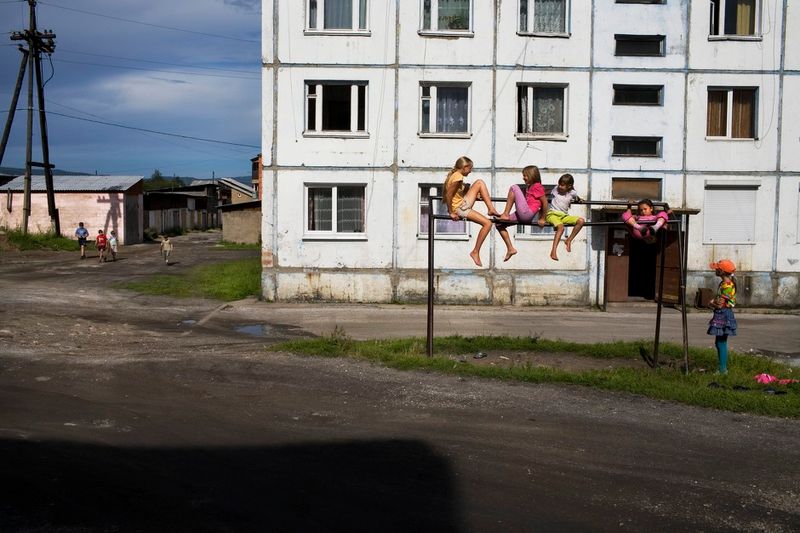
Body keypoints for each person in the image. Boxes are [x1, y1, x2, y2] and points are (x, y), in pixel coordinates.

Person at [443, 156, 513, 267]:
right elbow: (449, 195)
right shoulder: (458, 177)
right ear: (465, 167)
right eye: (470, 168)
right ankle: (475, 251)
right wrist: (451, 212)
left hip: (461, 204)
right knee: (487, 223)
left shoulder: (456, 175)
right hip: (460, 208)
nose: (470, 171)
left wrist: (474, 195)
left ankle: (491, 209)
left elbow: (457, 194)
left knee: (479, 183)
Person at [496, 165, 549, 261]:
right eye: (523, 175)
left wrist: (542, 218)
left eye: (525, 175)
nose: (523, 178)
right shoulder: (529, 187)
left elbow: (545, 202)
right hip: (523, 213)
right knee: (499, 224)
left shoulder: (537, 186)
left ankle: (506, 214)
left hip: (527, 213)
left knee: (514, 187)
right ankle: (510, 248)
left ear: (532, 175)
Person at [707, 259, 738, 375]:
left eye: (717, 268)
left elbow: (719, 304)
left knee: (721, 342)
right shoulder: (725, 284)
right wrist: (713, 302)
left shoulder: (727, 286)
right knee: (719, 342)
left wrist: (710, 303)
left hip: (723, 314)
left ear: (722, 272)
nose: (715, 270)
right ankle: (722, 368)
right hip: (722, 313)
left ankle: (723, 369)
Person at [545, 174, 584, 261]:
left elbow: (576, 197)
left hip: (564, 216)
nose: (559, 186)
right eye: (559, 184)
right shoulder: (555, 190)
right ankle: (553, 251)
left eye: (562, 185)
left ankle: (569, 240)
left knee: (581, 221)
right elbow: (545, 192)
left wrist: (580, 199)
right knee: (561, 228)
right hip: (552, 214)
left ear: (569, 186)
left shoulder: (572, 193)